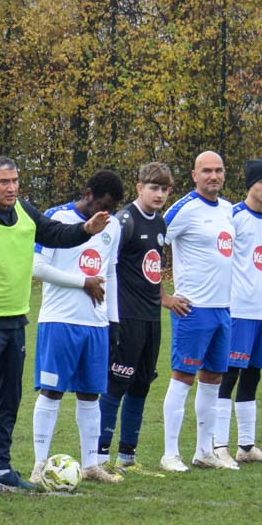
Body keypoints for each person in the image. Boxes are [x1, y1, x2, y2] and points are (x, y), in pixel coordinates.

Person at [0, 156, 112, 494]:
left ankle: (2, 467)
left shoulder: (24, 210)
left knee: (9, 399)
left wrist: (85, 230)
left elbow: (54, 233)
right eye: (3, 182)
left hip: (16, 321)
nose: (11, 188)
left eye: (15, 181)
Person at [28, 170, 126, 486]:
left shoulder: (113, 226)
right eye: (102, 206)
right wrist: (82, 282)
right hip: (59, 321)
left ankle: (91, 464)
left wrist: (113, 321)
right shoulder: (57, 218)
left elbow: (110, 272)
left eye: (112, 209)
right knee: (51, 391)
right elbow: (37, 267)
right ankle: (39, 464)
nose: (106, 214)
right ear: (87, 195)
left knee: (91, 395)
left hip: (95, 325)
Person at [158, 152, 235, 474]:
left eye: (218, 170)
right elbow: (149, 243)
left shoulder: (228, 209)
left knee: (213, 379)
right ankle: (169, 454)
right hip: (192, 308)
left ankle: (204, 451)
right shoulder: (184, 209)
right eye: (206, 171)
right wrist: (163, 296)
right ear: (194, 175)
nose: (213, 176)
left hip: (223, 309)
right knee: (183, 377)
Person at [99, 162, 173, 469]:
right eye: (153, 188)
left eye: (164, 189)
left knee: (141, 384)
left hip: (151, 318)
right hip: (127, 316)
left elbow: (154, 270)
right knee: (117, 383)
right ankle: (99, 455)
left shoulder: (161, 223)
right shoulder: (124, 221)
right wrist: (110, 314)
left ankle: (127, 456)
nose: (159, 194)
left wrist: (163, 298)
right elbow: (108, 266)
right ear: (140, 188)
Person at [212, 158, 262, 467]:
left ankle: (247, 446)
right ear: (250, 184)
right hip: (238, 310)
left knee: (253, 376)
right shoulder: (233, 217)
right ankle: (218, 445)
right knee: (229, 375)